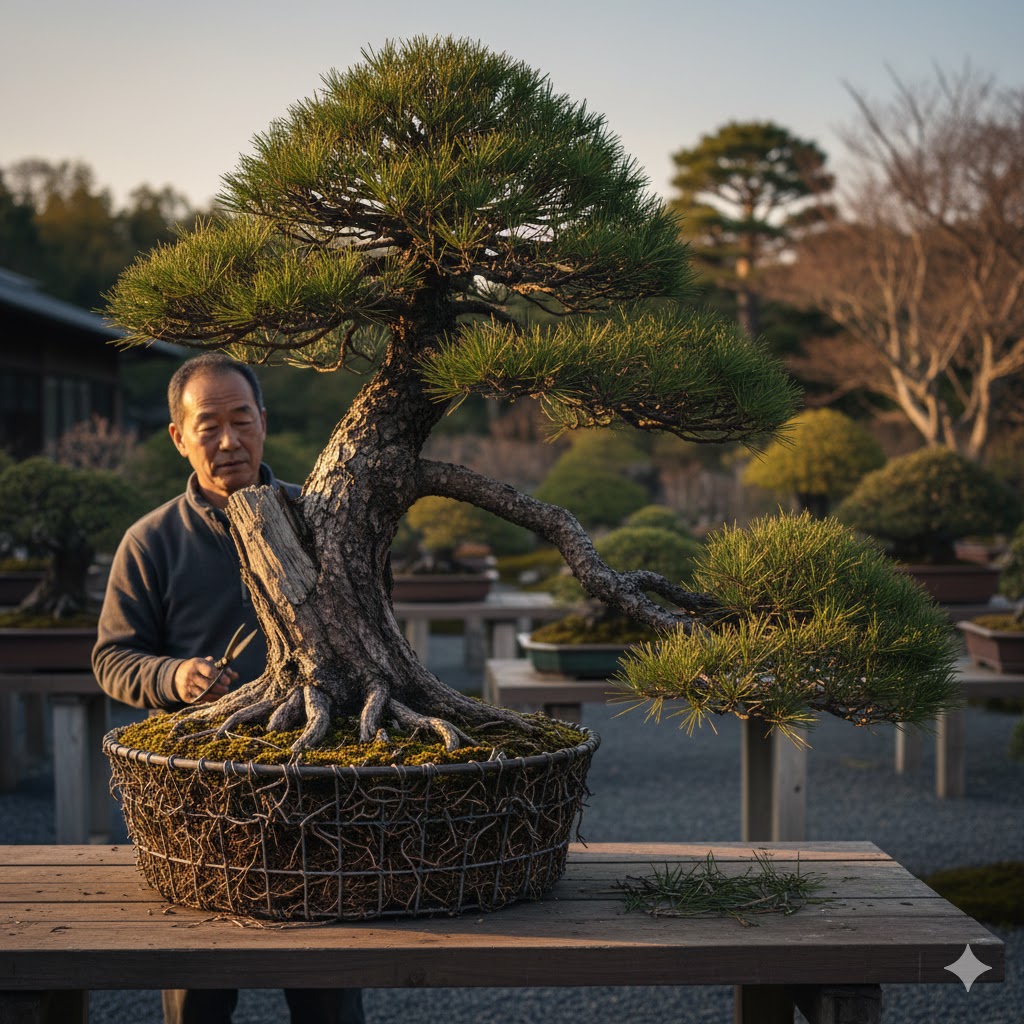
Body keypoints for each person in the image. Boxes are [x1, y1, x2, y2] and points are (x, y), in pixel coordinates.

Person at [94, 352, 365, 1024]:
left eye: (241, 420)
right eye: (207, 426)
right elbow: (113, 657)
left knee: (327, 984)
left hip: (318, 780)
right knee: (199, 992)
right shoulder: (151, 541)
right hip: (199, 793)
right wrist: (172, 675)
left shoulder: (317, 520)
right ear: (178, 437)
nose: (228, 441)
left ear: (263, 422)